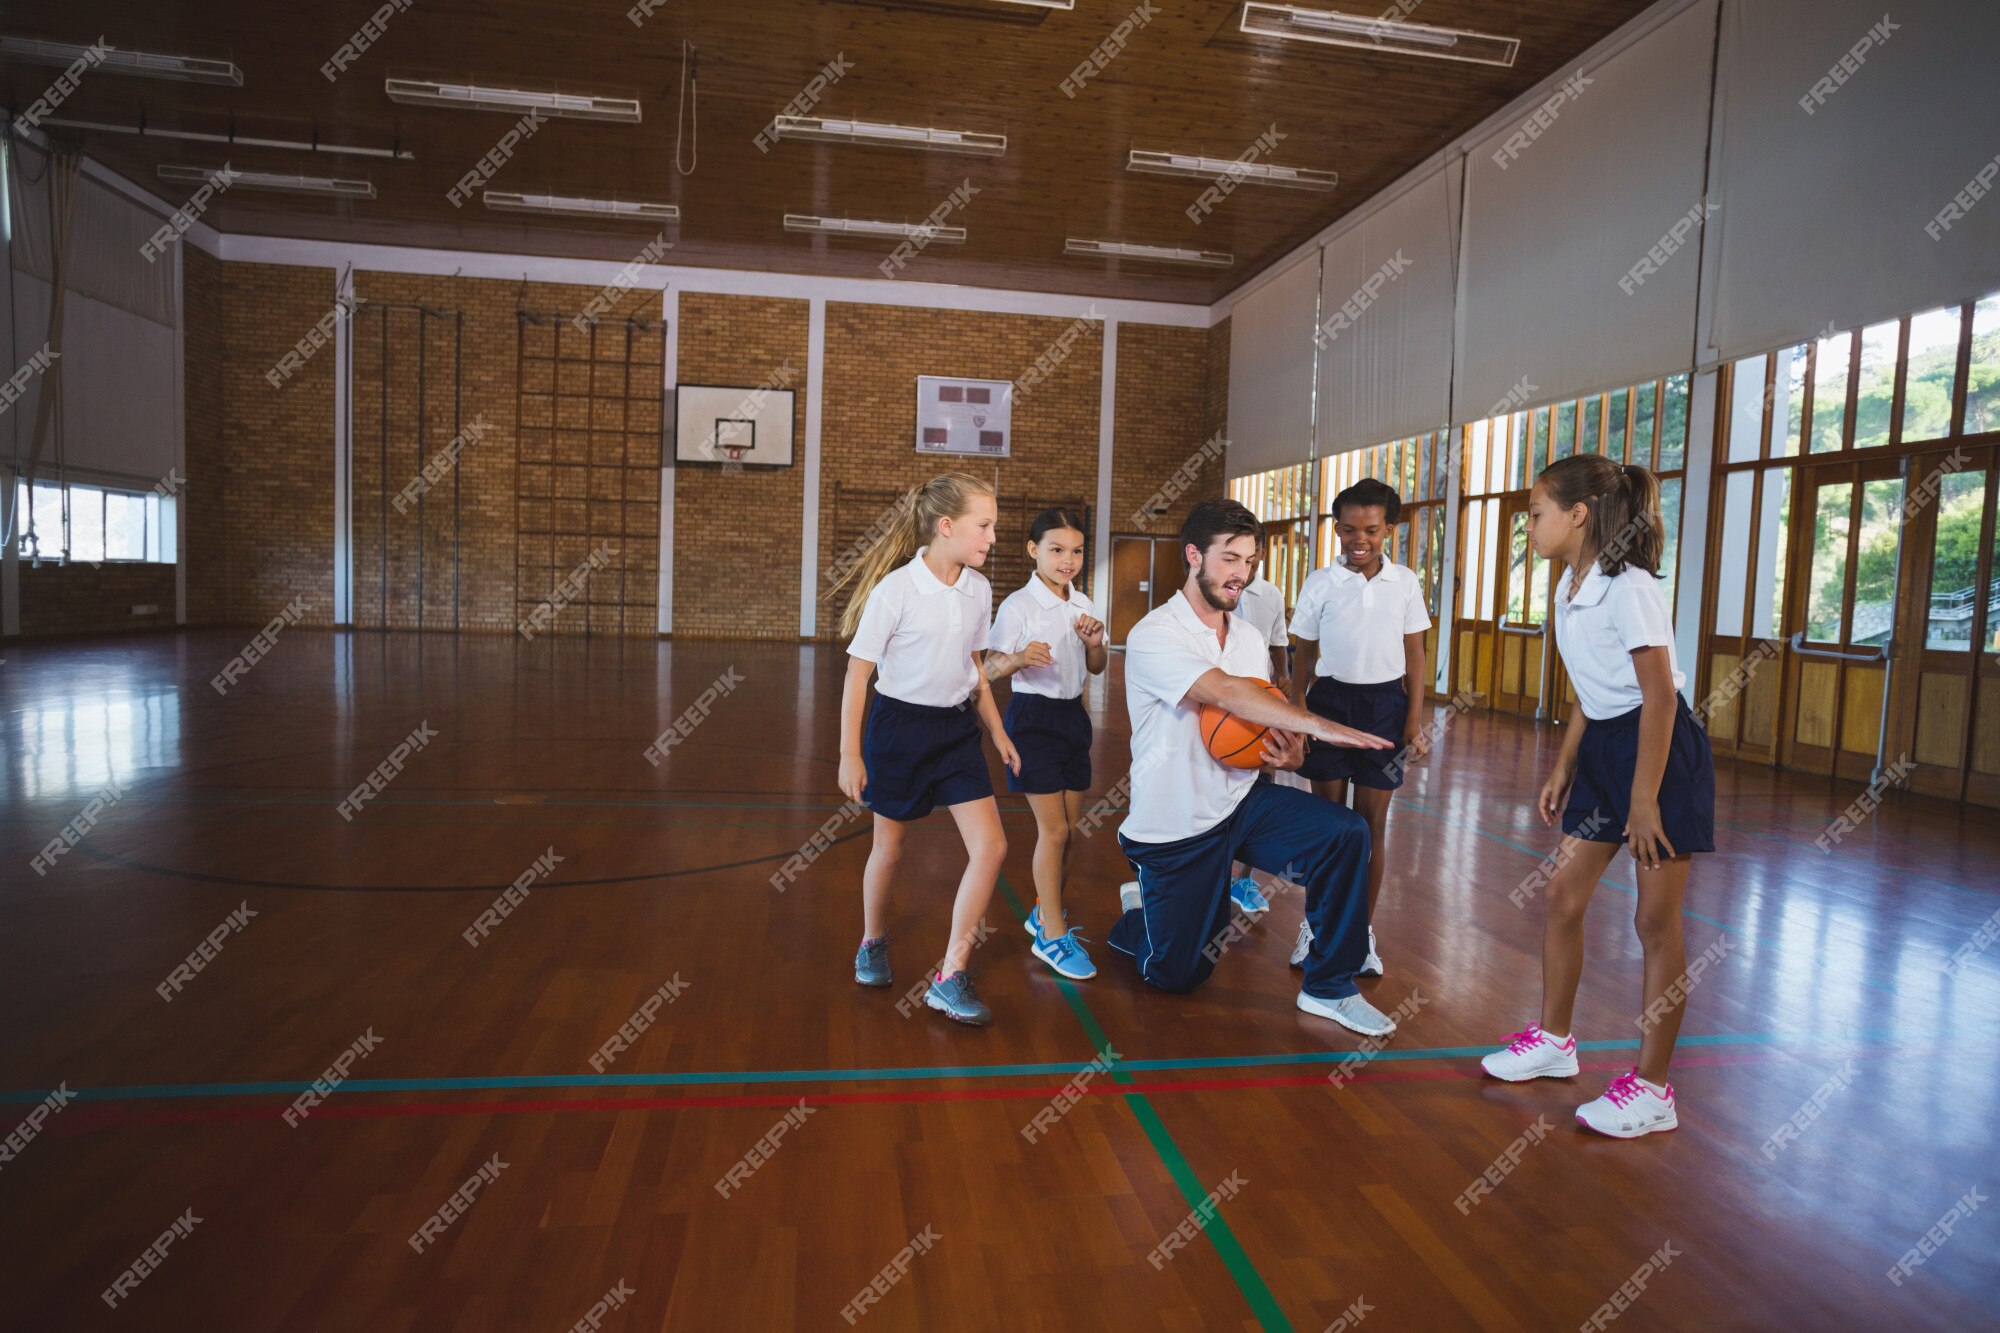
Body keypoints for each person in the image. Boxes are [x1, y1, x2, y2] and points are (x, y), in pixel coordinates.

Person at [1478, 456, 1714, 1139]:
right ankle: (1555, 1042)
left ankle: (1652, 1089)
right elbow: (1592, 690)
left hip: (1661, 757)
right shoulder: (1569, 587)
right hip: (1608, 750)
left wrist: (1644, 800)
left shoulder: (1628, 587)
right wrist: (1563, 765)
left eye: (1537, 512)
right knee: (1561, 896)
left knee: (1654, 924)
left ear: (1578, 514)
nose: (1531, 524)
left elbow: (1661, 697)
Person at [1105, 498, 1404, 1036]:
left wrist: (1290, 752)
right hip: (1177, 823)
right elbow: (1224, 692)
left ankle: (1329, 985)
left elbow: (1255, 725)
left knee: (1345, 833)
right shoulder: (1156, 634)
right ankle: (1143, 916)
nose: (1241, 573)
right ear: (1193, 556)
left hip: (1241, 802)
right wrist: (1321, 726)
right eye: (1229, 559)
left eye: (1250, 560)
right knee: (1179, 975)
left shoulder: (1245, 636)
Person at [834, 473, 1020, 1026]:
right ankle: (872, 940)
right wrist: (850, 752)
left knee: (991, 848)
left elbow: (976, 671)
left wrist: (999, 731)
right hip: (899, 731)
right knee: (889, 851)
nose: (991, 537)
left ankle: (950, 975)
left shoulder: (979, 589)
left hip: (956, 732)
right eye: (983, 526)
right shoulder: (897, 591)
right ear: (947, 526)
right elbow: (856, 674)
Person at [1286, 478, 1432, 979]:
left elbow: (1415, 653)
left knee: (1371, 828)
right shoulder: (1319, 582)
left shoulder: (1405, 582)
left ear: (1389, 528)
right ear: (1336, 528)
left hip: (1385, 708)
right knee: (1330, 828)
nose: (1358, 540)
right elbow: (1301, 654)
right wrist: (1299, 714)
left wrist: (1412, 721)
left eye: (1370, 529)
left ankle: (1360, 934)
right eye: (1347, 530)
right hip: (1329, 706)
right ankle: (1317, 926)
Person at [985, 508, 1107, 980]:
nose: (1067, 559)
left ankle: (1043, 912)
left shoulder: (1085, 603)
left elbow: (1095, 667)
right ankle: (1052, 936)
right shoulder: (1018, 605)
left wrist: (1095, 643)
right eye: (1056, 549)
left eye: (1076, 551)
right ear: (1034, 550)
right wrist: (1018, 658)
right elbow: (990, 669)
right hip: (1032, 719)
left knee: (1071, 834)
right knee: (1052, 832)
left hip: (1073, 718)